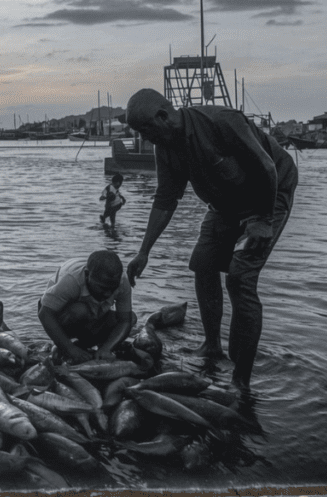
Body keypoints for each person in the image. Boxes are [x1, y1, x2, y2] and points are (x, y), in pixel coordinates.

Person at [123, 88, 297, 391]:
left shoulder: (221, 121)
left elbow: (267, 166)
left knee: (240, 278)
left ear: (163, 117)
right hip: (224, 204)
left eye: (146, 131)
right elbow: (165, 199)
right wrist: (143, 252)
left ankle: (240, 380)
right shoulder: (164, 146)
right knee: (202, 263)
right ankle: (212, 345)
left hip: (268, 193)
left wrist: (263, 220)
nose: (145, 139)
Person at [38, 250, 136, 364]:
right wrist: (70, 349)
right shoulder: (71, 280)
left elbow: (125, 321)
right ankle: (64, 345)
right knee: (79, 311)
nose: (108, 294)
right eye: (103, 288)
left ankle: (86, 346)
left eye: (112, 288)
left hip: (94, 316)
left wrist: (106, 349)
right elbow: (44, 313)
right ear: (87, 274)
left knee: (131, 318)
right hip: (64, 315)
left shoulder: (123, 281)